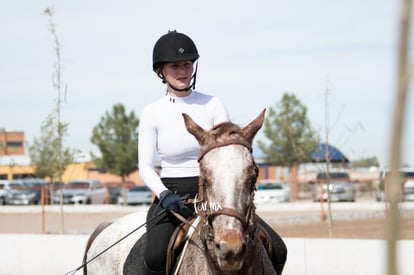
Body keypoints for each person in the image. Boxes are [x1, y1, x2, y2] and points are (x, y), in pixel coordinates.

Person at [138, 30, 286, 275]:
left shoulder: (212, 103)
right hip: (173, 196)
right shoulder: (152, 112)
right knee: (154, 257)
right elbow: (144, 166)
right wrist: (164, 195)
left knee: (278, 249)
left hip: (216, 195)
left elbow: (230, 154)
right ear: (160, 72)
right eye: (175, 66)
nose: (184, 71)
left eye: (187, 64)